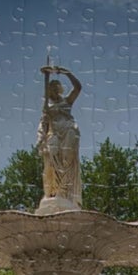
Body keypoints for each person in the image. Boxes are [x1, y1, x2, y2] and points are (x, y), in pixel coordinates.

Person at [37, 63, 83, 206]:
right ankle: (53, 191)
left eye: (57, 88)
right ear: (49, 91)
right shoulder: (46, 105)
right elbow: (43, 122)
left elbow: (78, 88)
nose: (55, 91)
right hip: (54, 134)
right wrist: (40, 139)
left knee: (67, 160)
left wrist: (66, 72)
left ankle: (65, 192)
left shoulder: (67, 101)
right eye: (52, 89)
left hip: (69, 131)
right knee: (51, 159)